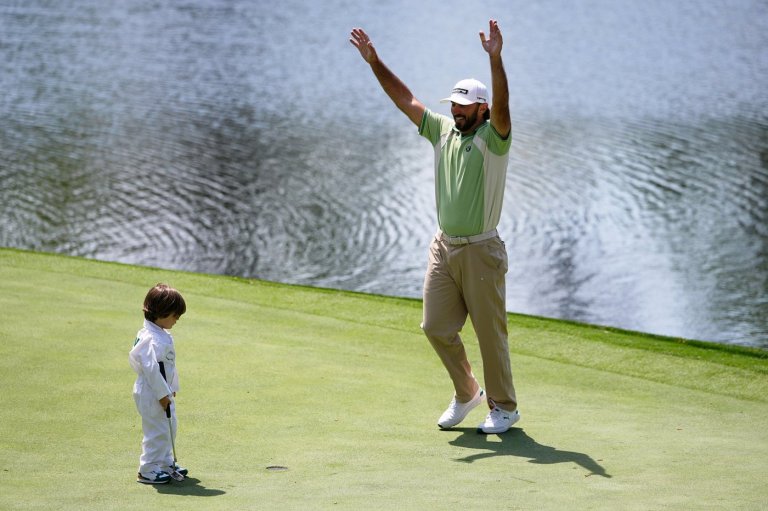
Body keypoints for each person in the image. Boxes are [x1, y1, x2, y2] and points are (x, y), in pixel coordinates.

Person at [350, 19, 519, 434]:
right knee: (435, 326)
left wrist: (496, 60)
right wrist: (375, 62)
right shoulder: (443, 131)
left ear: (480, 108)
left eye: (464, 106)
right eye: (454, 105)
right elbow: (405, 99)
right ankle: (467, 392)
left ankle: (505, 407)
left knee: (488, 334)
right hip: (443, 246)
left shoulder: (494, 137)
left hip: (481, 249)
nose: (455, 111)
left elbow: (503, 108)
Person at [129, 283, 188, 484]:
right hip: (151, 392)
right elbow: (152, 370)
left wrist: (172, 388)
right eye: (174, 315)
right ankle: (147, 468)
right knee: (157, 430)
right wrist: (163, 394)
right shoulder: (151, 339)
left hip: (161, 391)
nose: (177, 319)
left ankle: (164, 462)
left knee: (170, 425)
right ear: (161, 313)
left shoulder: (161, 334)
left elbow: (169, 366)